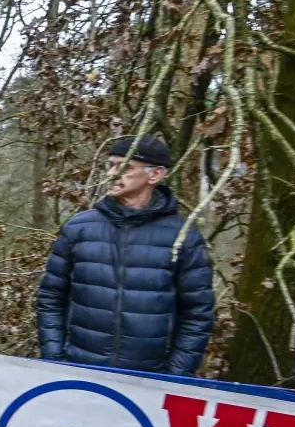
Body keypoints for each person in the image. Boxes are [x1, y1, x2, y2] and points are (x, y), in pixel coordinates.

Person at [37, 135, 215, 375]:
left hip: (149, 380)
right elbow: (50, 297)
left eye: (124, 167)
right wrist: (56, 359)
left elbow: (197, 313)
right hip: (78, 373)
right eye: (110, 165)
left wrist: (175, 376)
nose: (112, 174)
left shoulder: (183, 237)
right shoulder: (78, 229)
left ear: (155, 174)